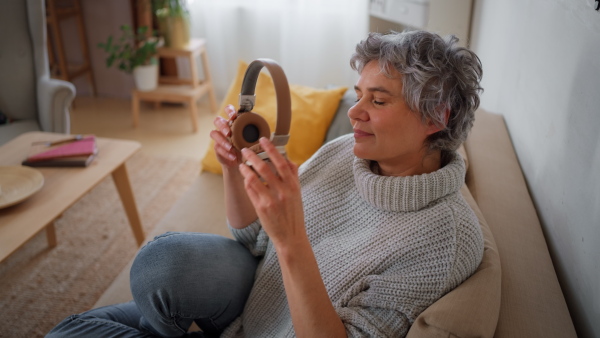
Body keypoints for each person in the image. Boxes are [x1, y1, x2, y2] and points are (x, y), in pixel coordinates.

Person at [47, 30, 484, 338]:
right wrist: (236, 170)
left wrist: (293, 241)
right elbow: (252, 237)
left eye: (379, 99)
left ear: (435, 117)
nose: (355, 112)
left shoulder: (445, 239)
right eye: (359, 93)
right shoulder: (346, 152)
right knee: (148, 271)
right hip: (249, 300)